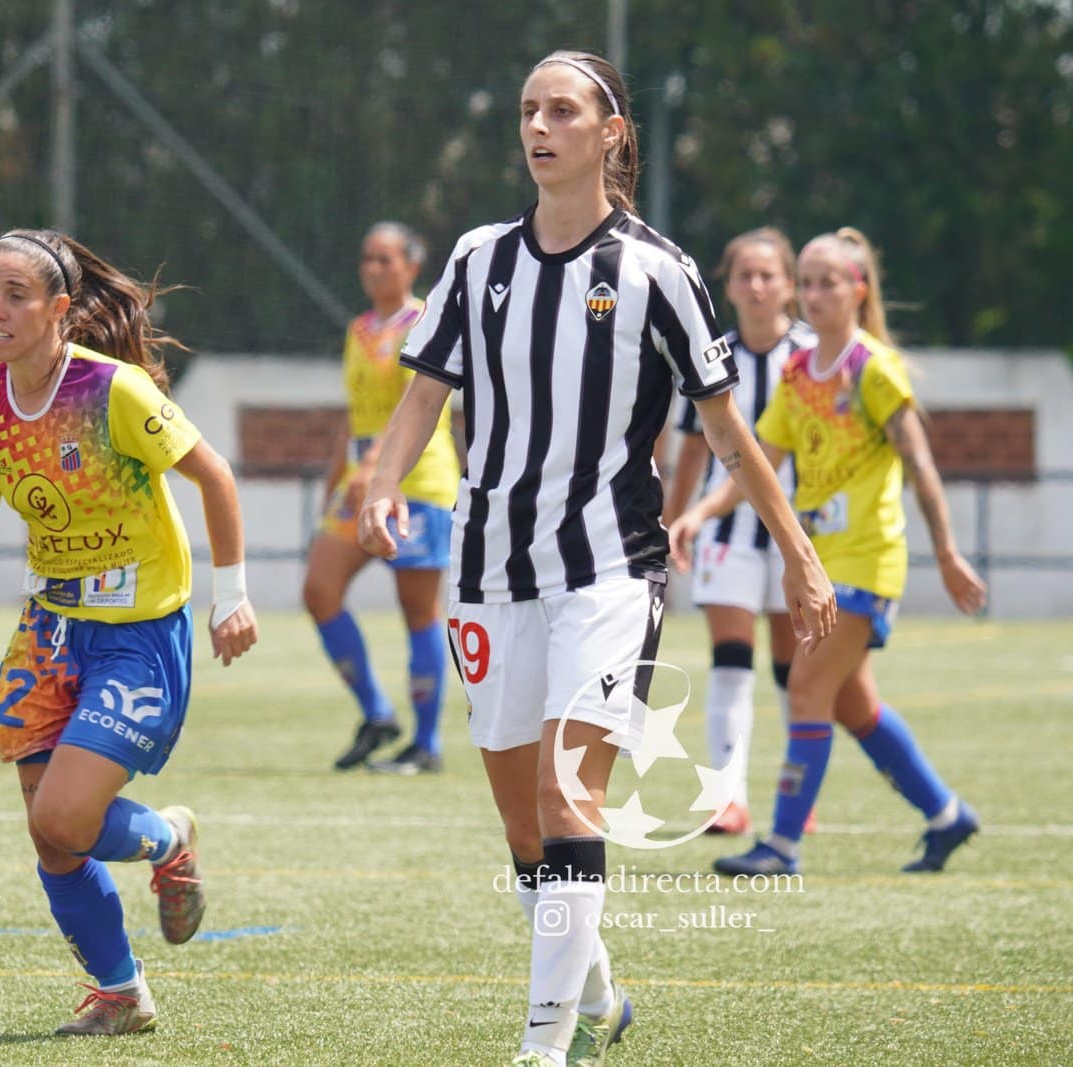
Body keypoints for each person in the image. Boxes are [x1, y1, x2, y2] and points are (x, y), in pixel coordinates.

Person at [357, 52, 835, 1067]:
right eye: (528, 107)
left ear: (610, 133)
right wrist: (381, 481)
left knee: (567, 798)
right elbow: (419, 401)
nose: (539, 124)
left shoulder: (659, 270)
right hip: (488, 566)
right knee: (523, 824)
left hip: (611, 566)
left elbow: (730, 433)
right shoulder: (477, 260)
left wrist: (797, 555)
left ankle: (543, 1043)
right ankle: (600, 989)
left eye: (561, 109)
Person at [0, 229, 258, 1038]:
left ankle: (169, 837)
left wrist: (230, 595)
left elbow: (215, 475)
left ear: (59, 308)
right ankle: (122, 992)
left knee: (64, 818)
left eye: (16, 294)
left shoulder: (115, 391)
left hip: (138, 637)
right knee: (51, 832)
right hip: (49, 635)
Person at [672, 228, 986, 878]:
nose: (815, 295)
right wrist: (699, 513)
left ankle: (781, 846)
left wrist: (949, 553)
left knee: (807, 685)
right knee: (852, 705)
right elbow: (756, 463)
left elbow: (919, 462)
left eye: (828, 282)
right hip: (821, 561)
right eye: (809, 282)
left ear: (858, 290)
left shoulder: (872, 368)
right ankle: (946, 813)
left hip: (867, 561)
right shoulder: (797, 372)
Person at [660, 228, 816, 835]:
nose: (755, 286)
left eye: (767, 275)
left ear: (787, 286)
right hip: (725, 534)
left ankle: (797, 790)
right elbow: (694, 448)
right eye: (744, 275)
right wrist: (673, 524)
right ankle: (728, 798)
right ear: (727, 286)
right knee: (729, 660)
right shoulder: (711, 354)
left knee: (791, 668)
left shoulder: (809, 358)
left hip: (795, 538)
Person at [303, 221, 457, 775]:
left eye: (385, 259)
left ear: (412, 268)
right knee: (319, 589)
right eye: (367, 258)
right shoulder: (359, 328)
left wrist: (375, 468)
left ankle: (428, 744)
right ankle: (377, 713)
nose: (372, 269)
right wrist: (337, 478)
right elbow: (354, 413)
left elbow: (418, 403)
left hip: (417, 481)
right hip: (362, 480)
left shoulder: (427, 321)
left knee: (418, 611)